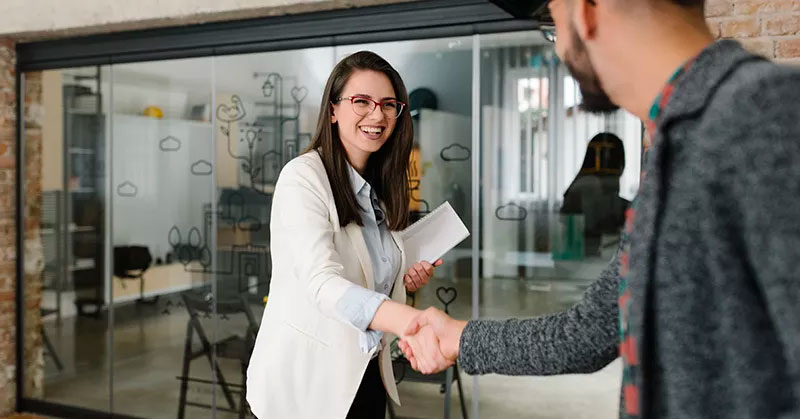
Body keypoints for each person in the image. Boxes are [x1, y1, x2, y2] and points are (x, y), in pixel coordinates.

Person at [400, 1, 800, 418]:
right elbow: (589, 333)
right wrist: (459, 338)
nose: (558, 49)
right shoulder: (675, 146)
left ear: (588, 11)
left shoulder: (767, 114)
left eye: (555, 22)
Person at [246, 51, 446, 419]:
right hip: (307, 386)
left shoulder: (380, 185)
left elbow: (367, 273)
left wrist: (404, 275)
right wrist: (406, 321)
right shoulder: (303, 178)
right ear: (333, 110)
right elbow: (323, 283)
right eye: (361, 102)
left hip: (364, 373)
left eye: (389, 104)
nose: (377, 115)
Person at [561, 132, 629, 256]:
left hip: (588, 259)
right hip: (580, 263)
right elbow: (600, 221)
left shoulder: (585, 183)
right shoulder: (589, 184)